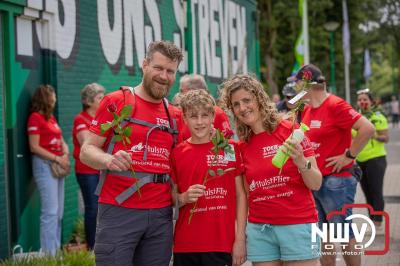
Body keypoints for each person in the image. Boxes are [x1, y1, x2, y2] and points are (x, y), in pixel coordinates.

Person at [80, 41, 183, 266]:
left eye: (170, 71)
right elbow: (86, 151)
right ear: (144, 65)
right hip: (119, 212)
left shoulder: (174, 115)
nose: (164, 76)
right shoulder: (117, 101)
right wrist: (108, 159)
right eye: (158, 68)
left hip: (160, 217)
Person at [222, 74, 322, 266]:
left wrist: (301, 161)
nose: (242, 108)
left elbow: (316, 183)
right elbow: (244, 196)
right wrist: (240, 238)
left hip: (297, 225)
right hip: (260, 232)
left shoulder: (291, 130)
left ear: (259, 99)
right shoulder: (241, 146)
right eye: (236, 104)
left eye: (246, 100)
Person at [291, 64, 375, 266]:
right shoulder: (309, 109)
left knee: (343, 232)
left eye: (297, 84)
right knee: (322, 236)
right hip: (317, 181)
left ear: (306, 85)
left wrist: (349, 155)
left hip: (337, 180)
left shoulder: (335, 105)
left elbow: (367, 128)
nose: (295, 89)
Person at [171, 90, 247, 266]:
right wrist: (183, 198)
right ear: (184, 119)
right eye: (193, 116)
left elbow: (240, 196)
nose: (199, 122)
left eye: (204, 115)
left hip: (221, 244)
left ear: (213, 116)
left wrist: (240, 239)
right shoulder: (177, 153)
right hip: (186, 245)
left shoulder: (228, 149)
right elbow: (171, 198)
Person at [27, 85, 70, 256]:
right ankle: (48, 255)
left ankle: (56, 251)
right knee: (50, 212)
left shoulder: (50, 118)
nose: (55, 99)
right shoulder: (35, 118)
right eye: (52, 96)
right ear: (45, 98)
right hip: (44, 165)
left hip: (58, 166)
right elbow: (34, 147)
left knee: (58, 212)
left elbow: (60, 140)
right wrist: (57, 158)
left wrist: (65, 154)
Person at [72, 83, 105, 250]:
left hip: (100, 170)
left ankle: (99, 243)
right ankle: (92, 247)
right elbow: (87, 144)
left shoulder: (99, 119)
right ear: (89, 101)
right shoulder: (81, 119)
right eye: (100, 97)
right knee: (92, 207)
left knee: (100, 208)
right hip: (87, 171)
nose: (103, 100)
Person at [355, 89, 389, 232]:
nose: (362, 102)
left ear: (371, 102)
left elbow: (385, 138)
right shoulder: (355, 117)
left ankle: (378, 221)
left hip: (376, 159)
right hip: (360, 159)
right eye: (360, 100)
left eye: (365, 100)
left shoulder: (378, 116)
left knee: (376, 190)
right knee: (366, 191)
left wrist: (372, 134)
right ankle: (371, 219)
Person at [178, 74, 233, 140]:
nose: (179, 95)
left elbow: (228, 141)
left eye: (181, 91)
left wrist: (217, 140)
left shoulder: (217, 112)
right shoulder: (181, 113)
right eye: (193, 116)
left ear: (194, 91)